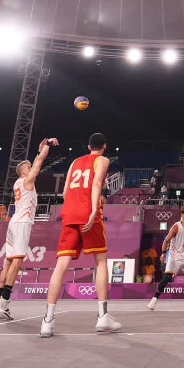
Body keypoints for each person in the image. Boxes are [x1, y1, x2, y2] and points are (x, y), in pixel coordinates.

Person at [40, 133, 121, 337]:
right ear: (104, 146)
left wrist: (73, 208)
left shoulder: (75, 161)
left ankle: (47, 321)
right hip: (88, 212)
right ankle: (103, 317)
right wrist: (94, 210)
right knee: (100, 261)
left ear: (88, 146)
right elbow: (96, 185)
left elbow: (66, 191)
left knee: (61, 265)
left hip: (69, 212)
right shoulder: (102, 160)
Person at [0, 137, 58, 320]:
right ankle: (5, 301)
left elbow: (36, 162)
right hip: (22, 223)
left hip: (13, 223)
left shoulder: (18, 183)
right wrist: (48, 145)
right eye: (29, 168)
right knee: (18, 262)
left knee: (9, 262)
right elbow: (39, 163)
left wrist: (38, 150)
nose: (32, 169)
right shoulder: (27, 181)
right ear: (24, 172)